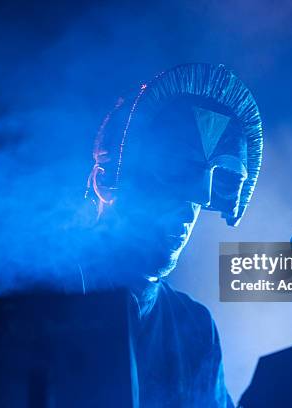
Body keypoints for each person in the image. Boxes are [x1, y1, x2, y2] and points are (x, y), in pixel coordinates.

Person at [81, 63, 263, 407]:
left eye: (207, 184)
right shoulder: (43, 288)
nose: (193, 205)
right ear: (107, 180)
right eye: (176, 175)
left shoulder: (193, 327)